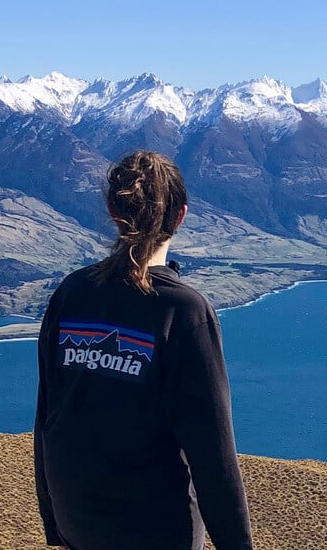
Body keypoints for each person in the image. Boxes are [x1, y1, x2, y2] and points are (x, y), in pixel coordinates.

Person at [34, 150, 254, 550]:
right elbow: (213, 455)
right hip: (157, 531)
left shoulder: (72, 293)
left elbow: (48, 417)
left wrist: (57, 525)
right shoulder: (183, 310)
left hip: (79, 525)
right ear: (181, 215)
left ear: (111, 209)